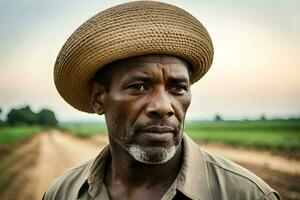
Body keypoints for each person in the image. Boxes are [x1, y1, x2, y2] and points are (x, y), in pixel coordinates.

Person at [44, 1, 281, 199]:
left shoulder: (248, 195)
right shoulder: (62, 193)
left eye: (177, 88)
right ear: (98, 99)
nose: (163, 107)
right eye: (138, 87)